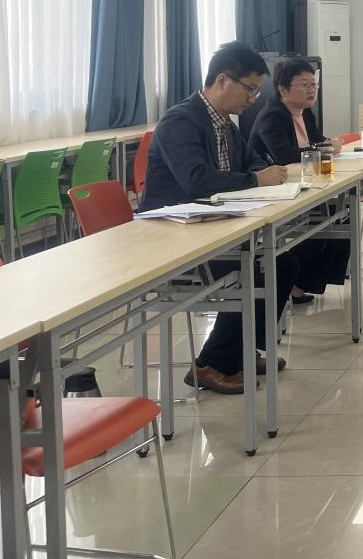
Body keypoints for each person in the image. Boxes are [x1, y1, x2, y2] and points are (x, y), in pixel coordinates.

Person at [140, 41, 296, 395]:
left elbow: (250, 160)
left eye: (257, 91)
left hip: (211, 228)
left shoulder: (226, 123)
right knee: (256, 268)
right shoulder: (181, 122)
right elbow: (196, 180)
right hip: (173, 239)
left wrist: (265, 171)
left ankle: (240, 351)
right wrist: (257, 179)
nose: (253, 99)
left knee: (283, 262)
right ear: (223, 80)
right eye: (250, 89)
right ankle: (210, 364)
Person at [248, 58, 351, 305]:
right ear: (283, 90)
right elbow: (285, 156)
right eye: (304, 85)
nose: (311, 90)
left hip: (301, 182)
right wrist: (323, 148)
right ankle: (296, 282)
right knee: (327, 222)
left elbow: (316, 141)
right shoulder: (272, 116)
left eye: (313, 84)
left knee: (341, 216)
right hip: (275, 188)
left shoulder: (305, 113)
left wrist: (328, 144)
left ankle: (301, 283)